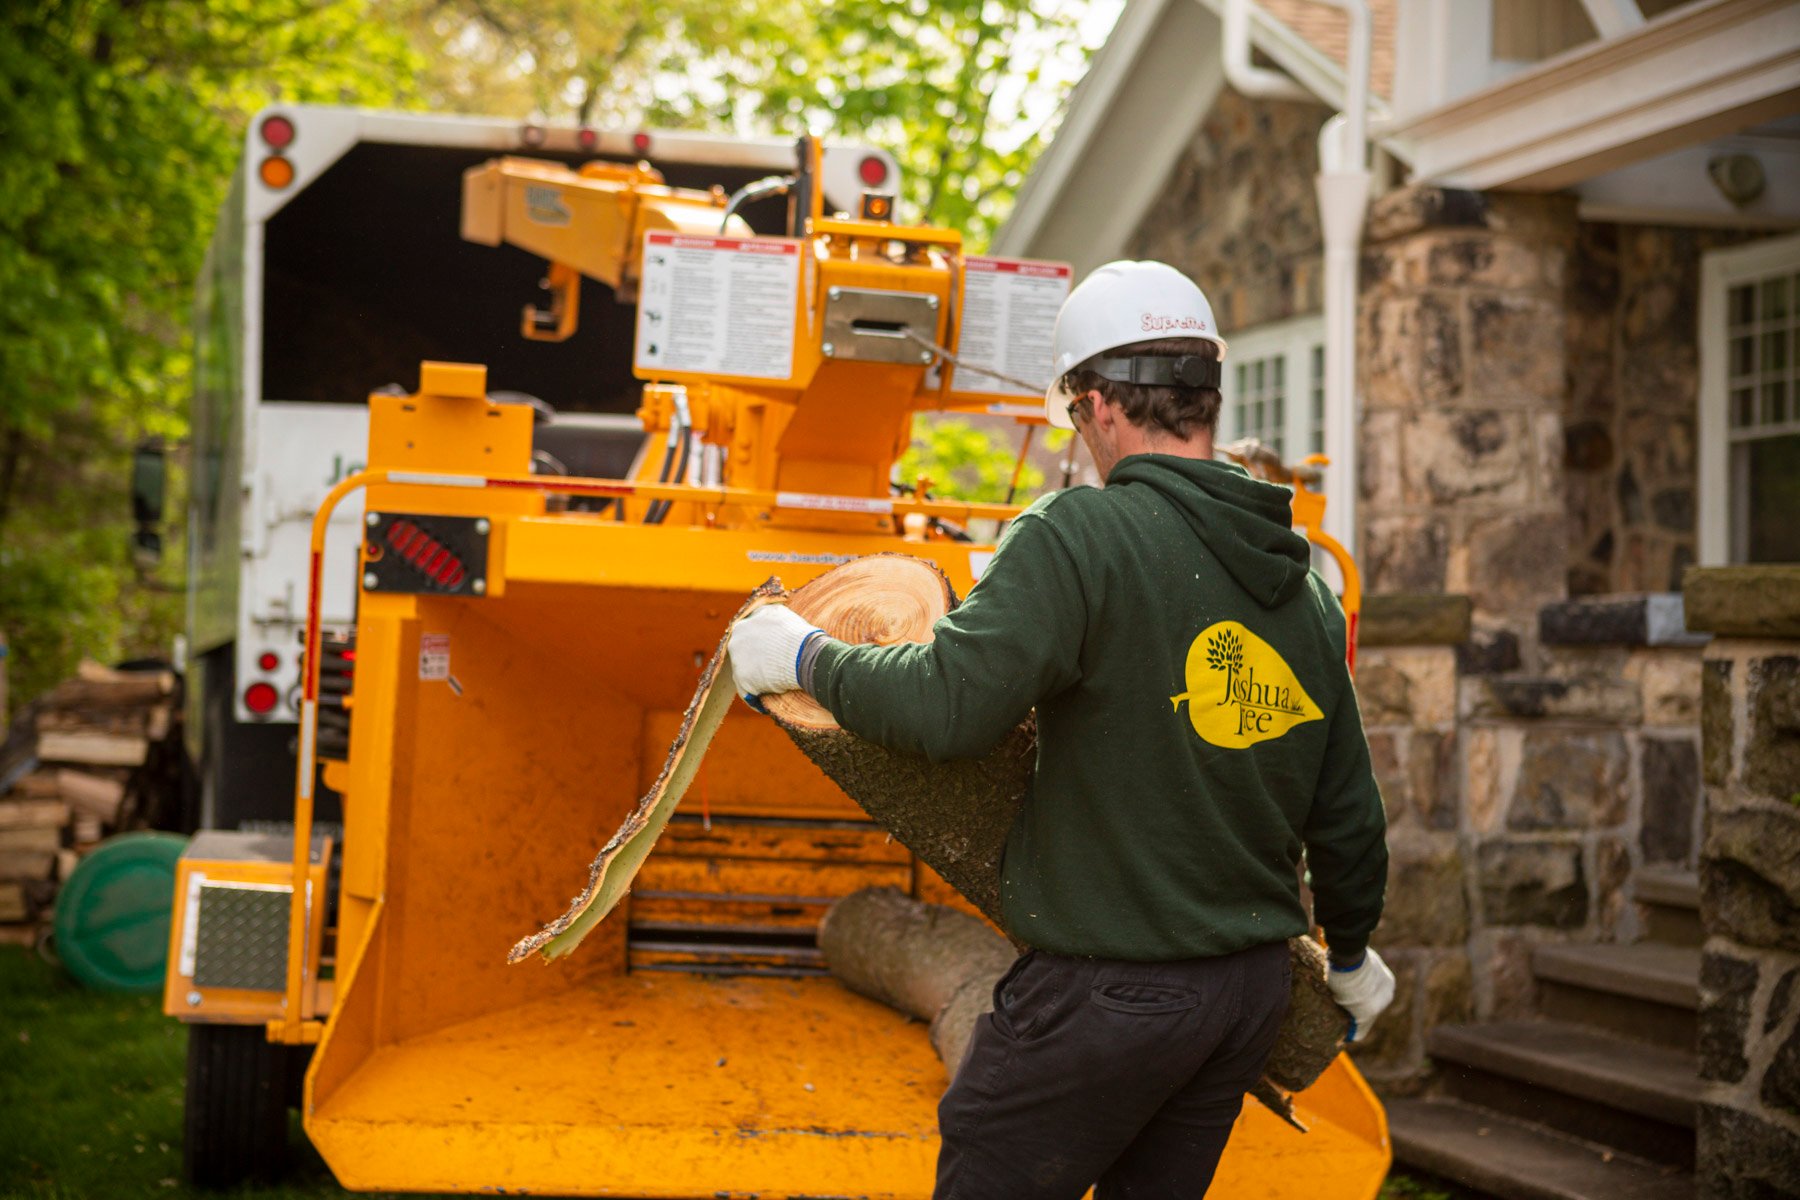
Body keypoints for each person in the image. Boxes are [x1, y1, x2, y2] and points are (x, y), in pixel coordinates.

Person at [729, 260, 1392, 1199]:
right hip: (1245, 999)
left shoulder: (1081, 536)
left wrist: (799, 657)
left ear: (1098, 406)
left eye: (1078, 420)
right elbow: (1350, 818)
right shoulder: (1304, 586)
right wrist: (1354, 956)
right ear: (1204, 393)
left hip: (1108, 998)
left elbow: (946, 707)